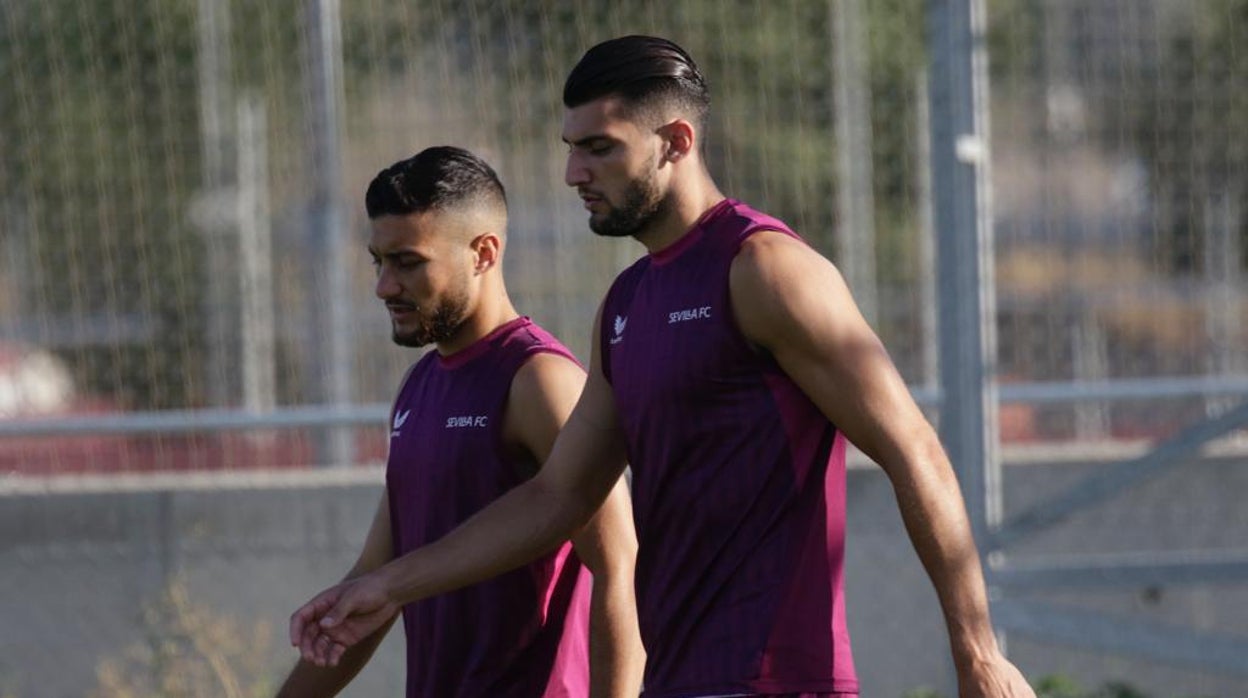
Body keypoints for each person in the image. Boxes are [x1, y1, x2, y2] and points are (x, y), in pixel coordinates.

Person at [291, 37, 1036, 698]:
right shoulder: (627, 303)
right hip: (678, 678)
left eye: (600, 148)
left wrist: (977, 650)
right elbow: (558, 495)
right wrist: (387, 585)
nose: (573, 172)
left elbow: (914, 446)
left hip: (772, 677)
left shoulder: (765, 270)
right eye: (570, 147)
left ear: (675, 141)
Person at [280, 146, 644, 698]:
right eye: (378, 261)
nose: (384, 286)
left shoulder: (538, 380)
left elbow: (621, 569)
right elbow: (379, 577)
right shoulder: (418, 387)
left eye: (408, 262)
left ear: (483, 252)